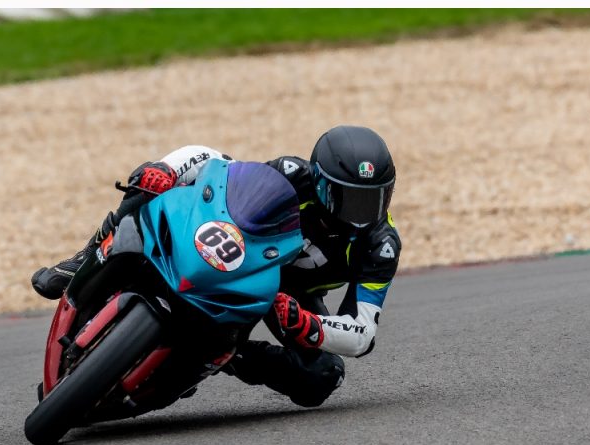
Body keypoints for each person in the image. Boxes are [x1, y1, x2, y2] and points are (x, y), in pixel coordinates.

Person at [31, 126, 401, 408]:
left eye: (373, 199)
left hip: (288, 298)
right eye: (348, 198)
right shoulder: (291, 174)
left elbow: (361, 332)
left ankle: (227, 357)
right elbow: (215, 163)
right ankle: (85, 258)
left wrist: (306, 324)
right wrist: (165, 170)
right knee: (149, 183)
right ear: (320, 183)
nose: (360, 214)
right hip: (244, 259)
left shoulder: (380, 247)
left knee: (322, 377)